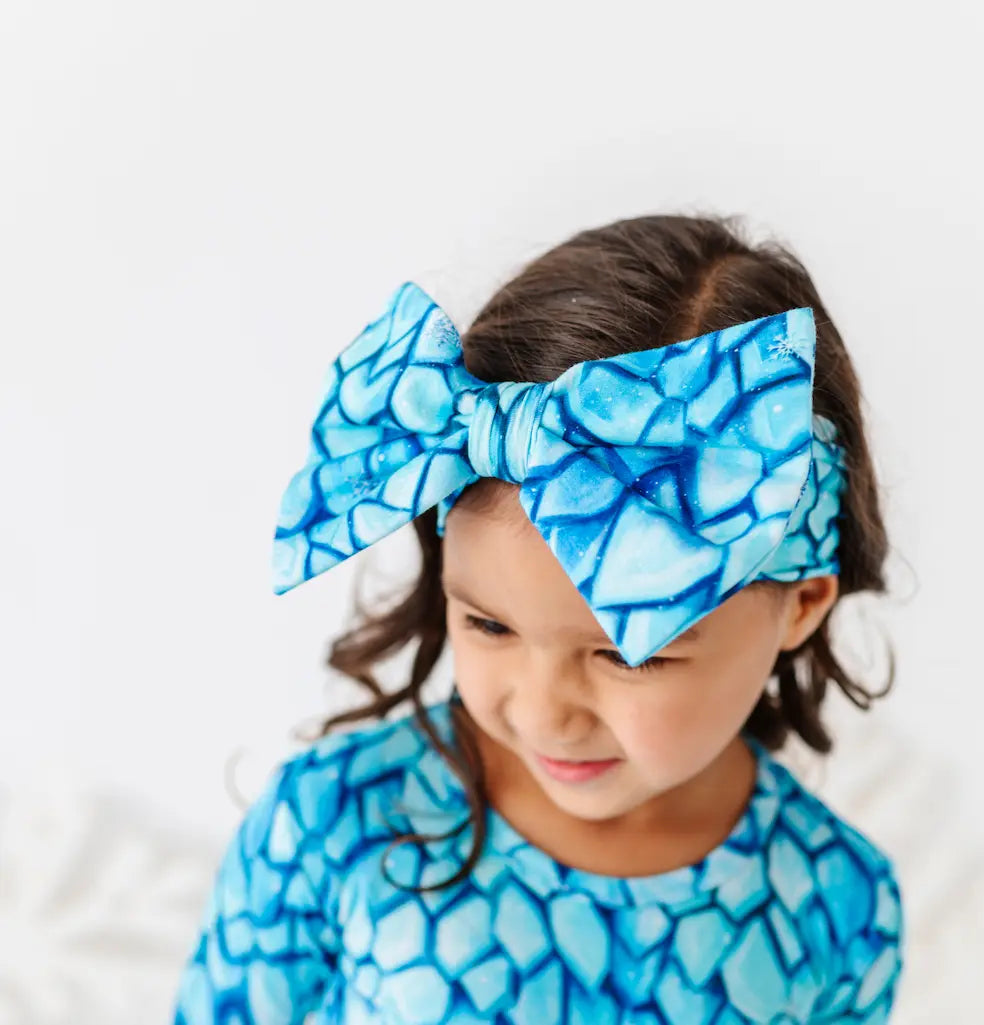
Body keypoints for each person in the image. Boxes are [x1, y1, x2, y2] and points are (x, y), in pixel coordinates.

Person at [172, 214, 905, 1023]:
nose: (541, 708)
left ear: (799, 603)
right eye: (489, 625)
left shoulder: (836, 905)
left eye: (628, 651)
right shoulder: (334, 823)